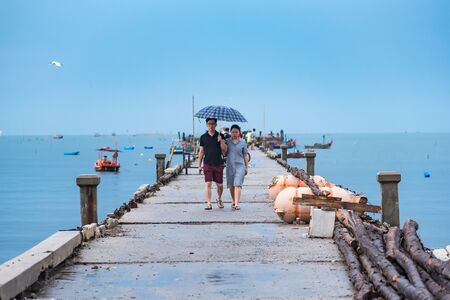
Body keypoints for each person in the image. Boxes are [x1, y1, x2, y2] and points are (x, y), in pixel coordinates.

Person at [198, 118, 227, 210]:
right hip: (207, 163)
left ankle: (219, 198)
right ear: (206, 124)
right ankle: (209, 203)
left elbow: (225, 151)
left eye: (213, 123)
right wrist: (199, 165)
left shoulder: (221, 135)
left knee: (220, 185)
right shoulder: (203, 137)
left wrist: (221, 141)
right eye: (209, 123)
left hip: (218, 163)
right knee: (208, 183)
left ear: (216, 125)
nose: (211, 125)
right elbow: (201, 152)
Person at [226, 124, 249, 210]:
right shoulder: (227, 141)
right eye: (233, 132)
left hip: (240, 165)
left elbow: (245, 155)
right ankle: (233, 200)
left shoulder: (243, 142)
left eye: (236, 132)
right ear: (230, 132)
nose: (234, 133)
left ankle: (237, 203)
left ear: (239, 132)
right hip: (230, 165)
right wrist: (221, 141)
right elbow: (223, 152)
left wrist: (246, 167)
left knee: (238, 184)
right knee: (231, 185)